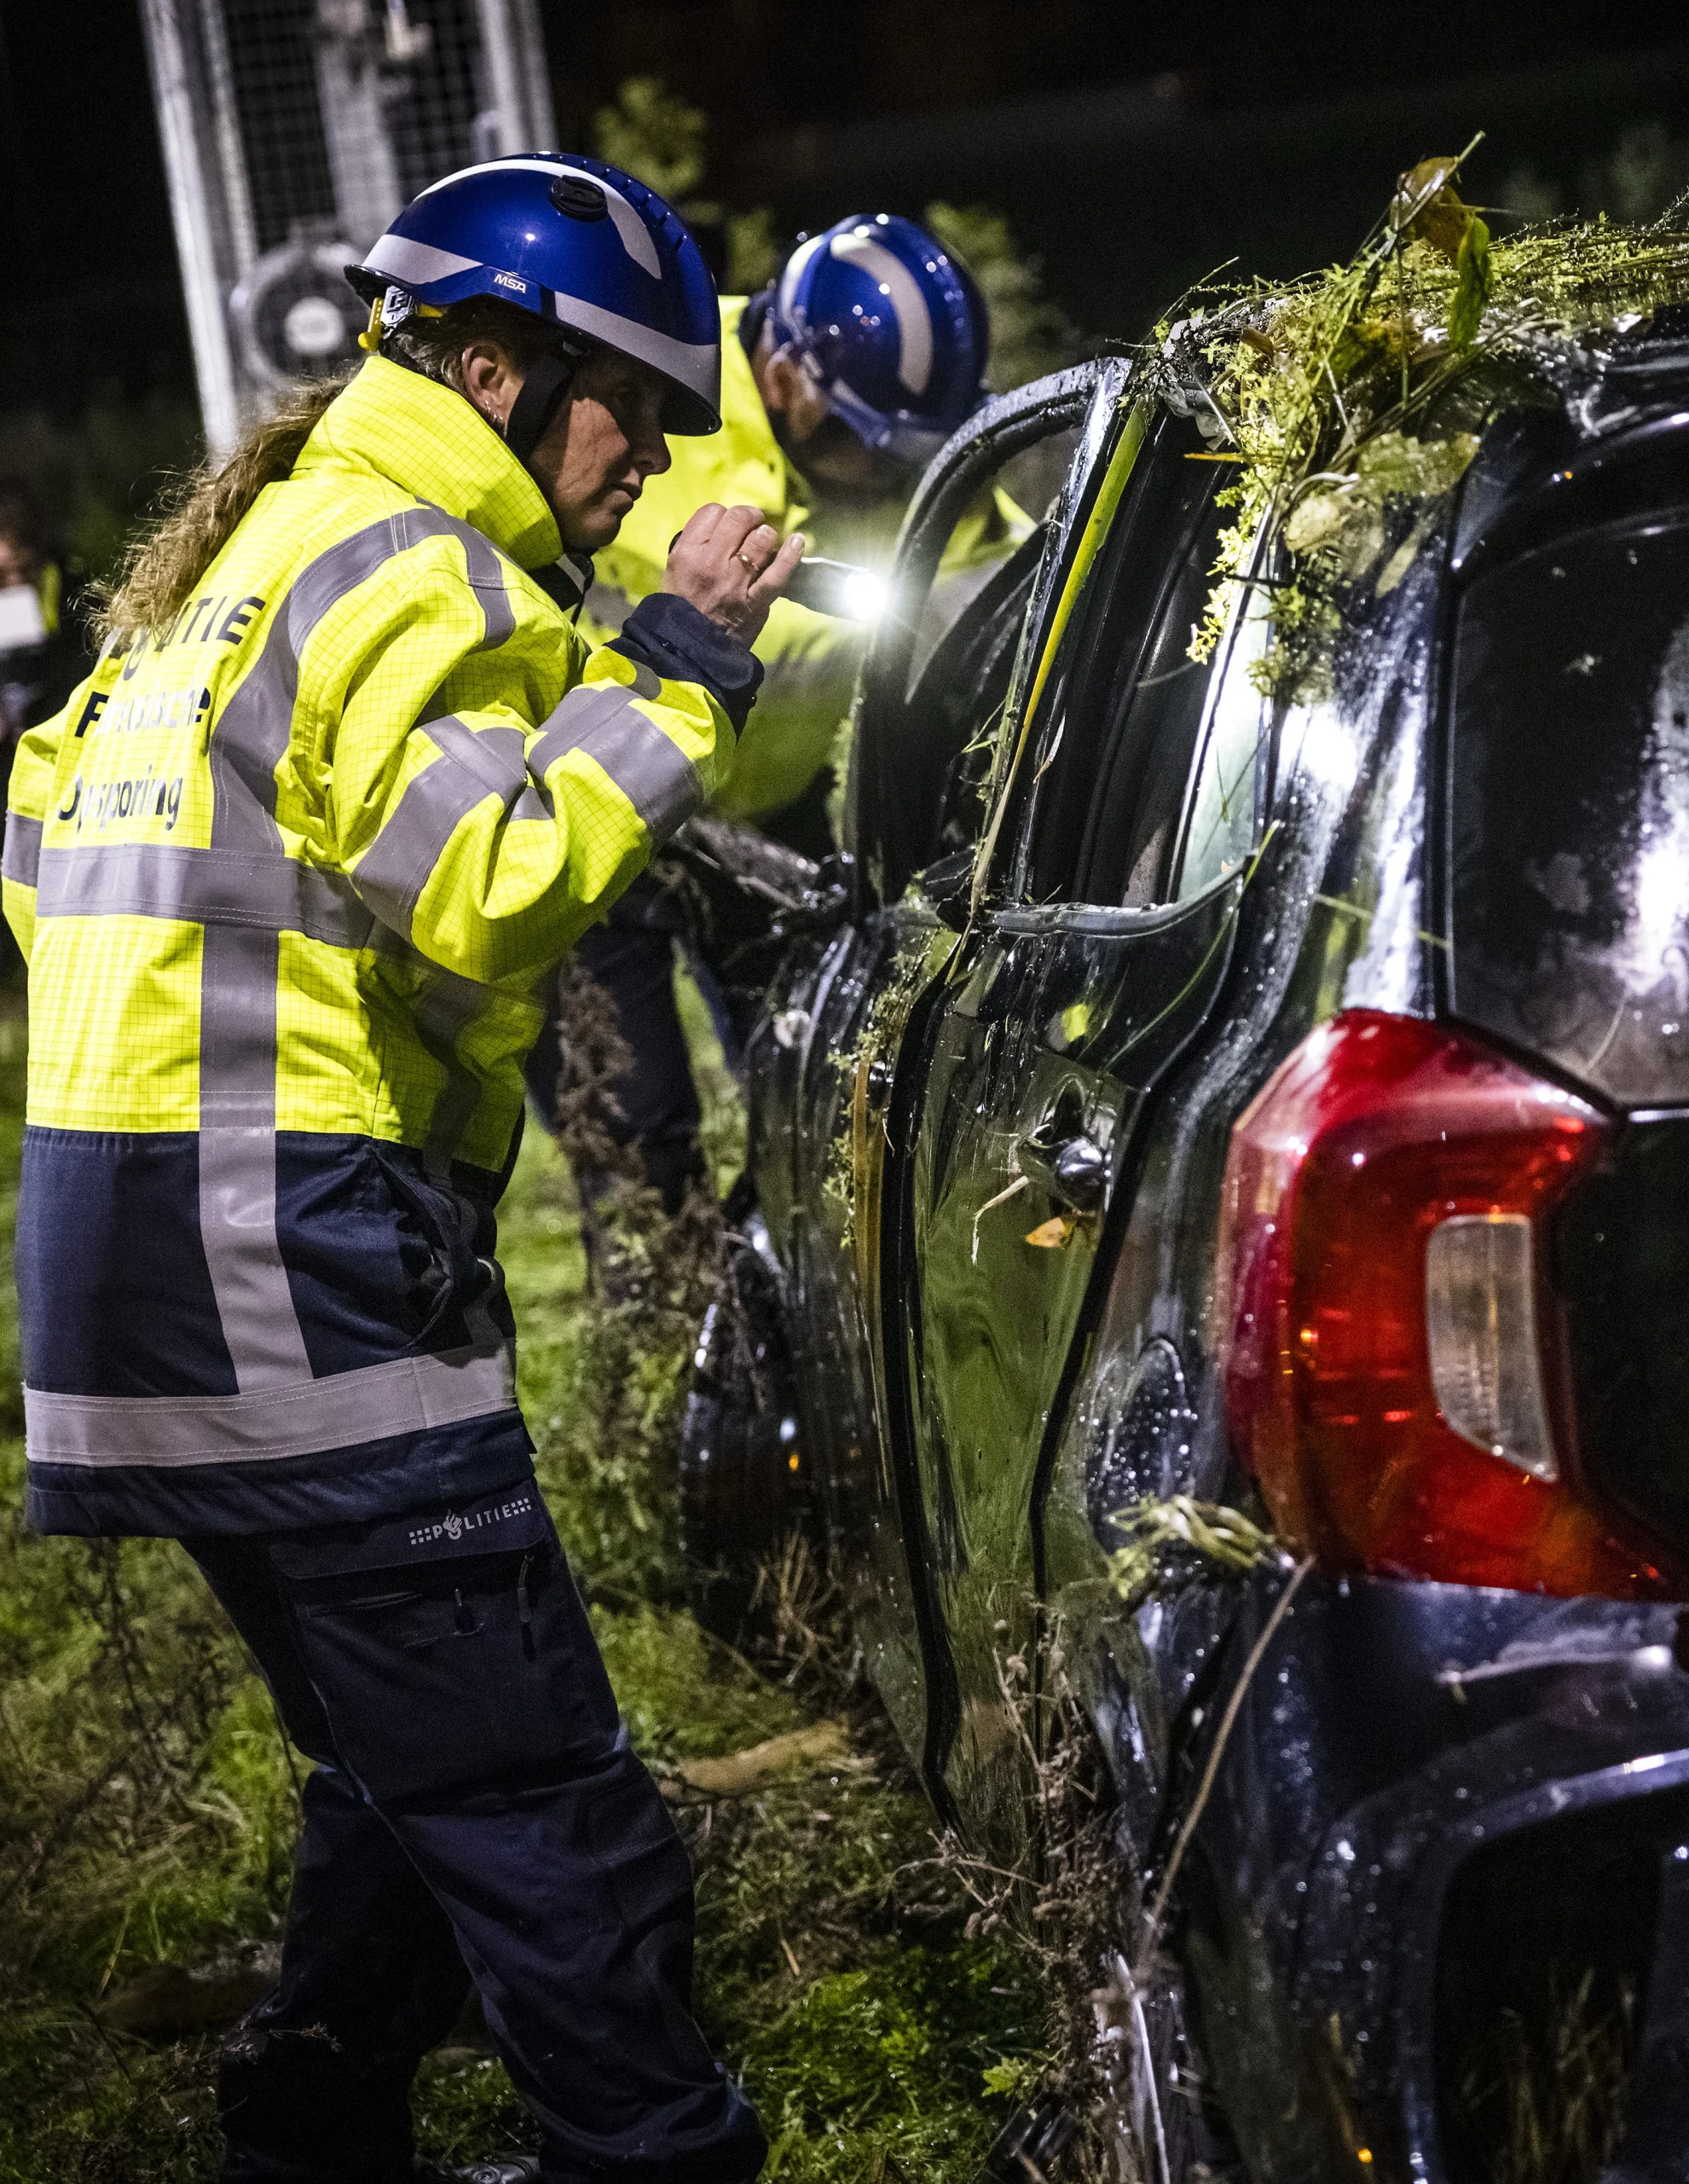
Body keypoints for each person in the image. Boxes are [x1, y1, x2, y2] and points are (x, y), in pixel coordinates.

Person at [3, 152, 801, 2184]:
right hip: (284, 1247)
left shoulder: (247, 559)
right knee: (544, 1797)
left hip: (124, 1260)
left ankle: (316, 2116)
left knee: (393, 1757)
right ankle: (657, 2153)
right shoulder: (413, 569)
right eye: (632, 404)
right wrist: (682, 670)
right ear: (497, 366)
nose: (646, 460)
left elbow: (40, 849)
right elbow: (491, 881)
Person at [528, 211, 1015, 1213]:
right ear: (786, 375)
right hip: (596, 808)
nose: (888, 481)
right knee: (635, 1140)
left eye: (912, 456)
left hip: (764, 809)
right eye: (864, 448)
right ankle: (662, 1331)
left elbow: (997, 587)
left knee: (821, 1094)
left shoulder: (912, 458)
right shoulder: (649, 388)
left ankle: (785, 1311)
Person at [0, 477, 90, 736]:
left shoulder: (72, 592)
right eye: (3, 576)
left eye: (24, 570)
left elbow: (80, 669)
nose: (14, 585)